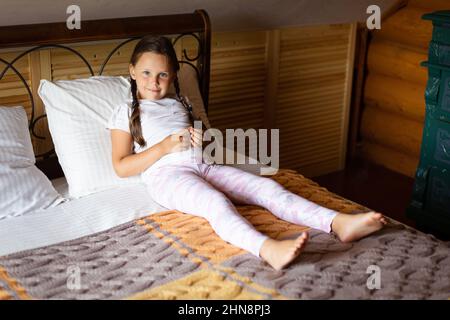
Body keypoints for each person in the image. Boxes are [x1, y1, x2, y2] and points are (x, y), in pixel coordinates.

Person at [107, 35, 387, 270]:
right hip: (167, 176)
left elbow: (205, 146)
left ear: (173, 76)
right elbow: (121, 166)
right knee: (215, 203)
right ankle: (267, 249)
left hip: (205, 166)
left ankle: (338, 222)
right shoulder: (124, 111)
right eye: (146, 73)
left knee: (267, 186)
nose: (154, 81)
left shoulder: (180, 103)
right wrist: (165, 146)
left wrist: (201, 139)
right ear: (132, 71)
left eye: (162, 74)